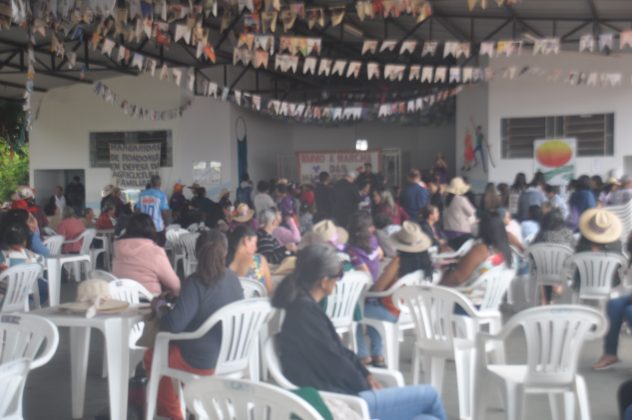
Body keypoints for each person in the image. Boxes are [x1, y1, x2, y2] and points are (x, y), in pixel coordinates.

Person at [272, 244, 446, 420]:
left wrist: (366, 373)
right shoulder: (304, 313)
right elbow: (333, 361)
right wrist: (364, 384)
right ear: (324, 281)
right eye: (338, 277)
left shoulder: (305, 307)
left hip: (344, 391)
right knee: (430, 396)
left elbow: (337, 353)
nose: (338, 282)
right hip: (341, 398)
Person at [144, 230, 244, 420]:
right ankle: (195, 404)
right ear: (225, 252)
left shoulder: (195, 282)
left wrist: (160, 306)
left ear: (197, 253)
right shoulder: (233, 279)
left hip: (201, 362)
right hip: (233, 357)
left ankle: (174, 414)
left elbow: (172, 325)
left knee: (152, 355)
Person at [441, 211, 512, 305]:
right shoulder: (505, 252)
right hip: (489, 303)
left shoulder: (481, 250)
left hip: (467, 304)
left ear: (484, 228)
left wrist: (439, 283)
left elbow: (457, 278)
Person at [346, 211, 387, 366]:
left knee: (353, 315)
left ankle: (363, 354)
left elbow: (364, 273)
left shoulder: (352, 250)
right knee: (373, 321)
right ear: (369, 229)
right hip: (375, 293)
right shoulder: (374, 241)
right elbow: (381, 254)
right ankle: (378, 353)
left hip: (361, 293)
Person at [112, 213, 180, 296]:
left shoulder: (118, 248)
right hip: (149, 300)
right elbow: (175, 285)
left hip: (121, 298)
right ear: (151, 229)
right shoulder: (155, 251)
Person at [0, 222, 48, 305]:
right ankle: (29, 303)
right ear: (25, 241)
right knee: (44, 285)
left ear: (6, 240)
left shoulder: (2, 256)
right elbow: (42, 265)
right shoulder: (32, 256)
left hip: (4, 296)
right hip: (24, 292)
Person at [227, 225, 273, 295]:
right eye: (254, 243)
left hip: (232, 302)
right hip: (256, 302)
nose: (256, 248)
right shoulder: (258, 260)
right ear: (246, 241)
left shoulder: (222, 261)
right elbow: (270, 292)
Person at [442, 177, 476, 250]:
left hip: (448, 233)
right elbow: (471, 213)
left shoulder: (446, 199)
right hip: (462, 233)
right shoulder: (461, 199)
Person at [136, 175, 169, 245]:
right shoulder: (162, 195)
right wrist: (166, 224)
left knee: (146, 248)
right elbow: (164, 212)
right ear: (160, 184)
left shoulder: (142, 195)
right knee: (159, 249)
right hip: (158, 228)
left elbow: (137, 210)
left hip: (144, 227)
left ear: (151, 183)